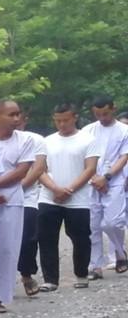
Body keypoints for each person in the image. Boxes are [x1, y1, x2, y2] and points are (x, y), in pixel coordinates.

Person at [31, 101, 96, 290]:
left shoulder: (88, 140)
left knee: (80, 237)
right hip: (49, 196)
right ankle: (50, 279)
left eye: (65, 120)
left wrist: (69, 190)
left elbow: (90, 168)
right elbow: (39, 169)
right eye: (58, 121)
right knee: (46, 237)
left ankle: (81, 273)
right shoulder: (47, 141)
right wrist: (55, 189)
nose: (62, 124)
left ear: (75, 118)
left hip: (78, 199)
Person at [0, 100, 38, 312]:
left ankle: (0, 296)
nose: (16, 119)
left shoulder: (25, 140)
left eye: (18, 114)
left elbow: (21, 171)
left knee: (7, 249)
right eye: (11, 114)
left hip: (10, 200)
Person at [82, 95, 128, 275]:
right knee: (93, 225)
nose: (102, 118)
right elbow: (84, 157)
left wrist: (106, 177)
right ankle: (95, 265)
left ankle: (120, 251)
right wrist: (95, 177)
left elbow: (124, 157)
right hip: (92, 181)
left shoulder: (124, 131)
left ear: (113, 109)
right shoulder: (87, 131)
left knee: (112, 223)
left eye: (105, 114)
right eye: (98, 114)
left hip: (114, 181)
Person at [16, 106, 46, 298]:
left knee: (28, 238)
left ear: (25, 119)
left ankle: (26, 274)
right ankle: (1, 282)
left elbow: (38, 168)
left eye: (17, 116)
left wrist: (18, 188)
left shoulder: (36, 139)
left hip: (27, 196)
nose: (14, 120)